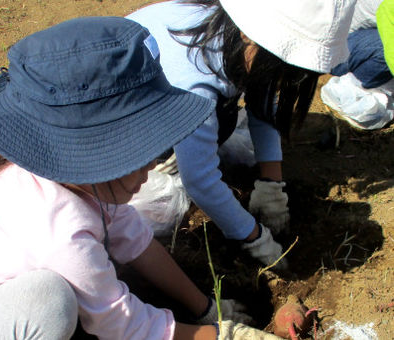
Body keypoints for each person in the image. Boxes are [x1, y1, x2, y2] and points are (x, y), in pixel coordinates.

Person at [0, 16, 283, 340]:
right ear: (92, 152)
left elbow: (137, 242)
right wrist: (219, 336)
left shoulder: (64, 180)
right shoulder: (61, 233)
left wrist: (204, 307)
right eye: (138, 155)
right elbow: (122, 325)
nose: (151, 168)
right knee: (48, 304)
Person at [126, 0, 356, 269]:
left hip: (168, 100)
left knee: (225, 120)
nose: (282, 82)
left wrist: (272, 183)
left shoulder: (228, 29)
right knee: (162, 207)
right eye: (278, 69)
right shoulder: (193, 88)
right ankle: (164, 159)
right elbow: (198, 180)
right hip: (122, 133)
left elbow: (264, 98)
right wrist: (253, 237)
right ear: (250, 36)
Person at [321, 0, 394, 130]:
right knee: (385, 48)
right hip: (336, 53)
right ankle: (357, 83)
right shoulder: (389, 6)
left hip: (358, 41)